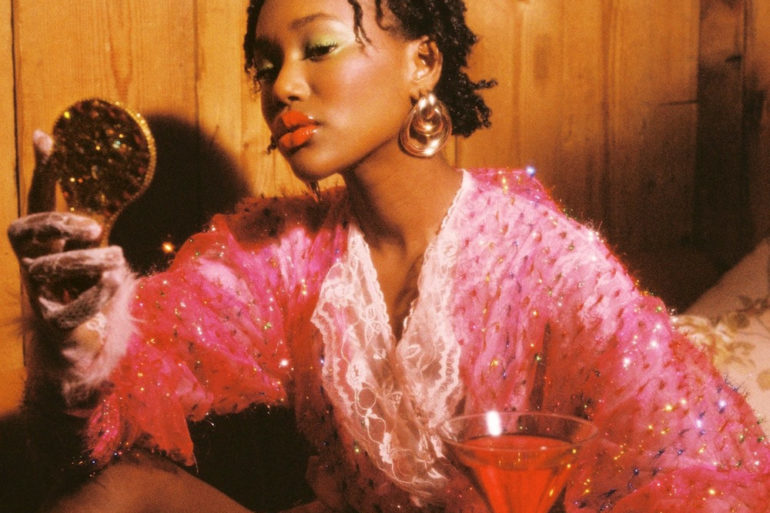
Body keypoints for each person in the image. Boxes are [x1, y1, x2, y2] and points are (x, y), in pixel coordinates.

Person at [8, 0, 770, 512]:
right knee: (117, 490)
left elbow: (700, 465)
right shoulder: (281, 250)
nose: (284, 85)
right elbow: (101, 418)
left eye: (319, 47)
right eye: (266, 64)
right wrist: (76, 340)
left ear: (423, 62)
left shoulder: (548, 260)